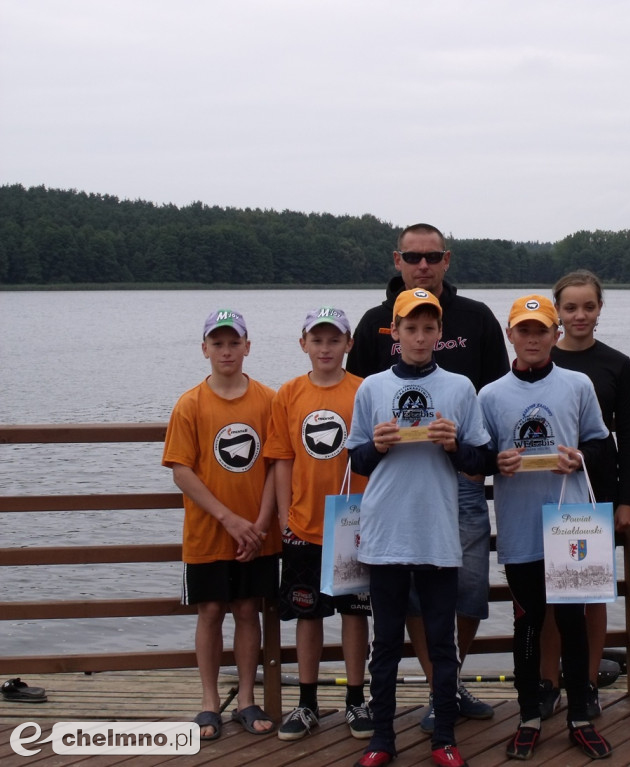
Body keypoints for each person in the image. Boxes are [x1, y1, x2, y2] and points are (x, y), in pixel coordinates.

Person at [347, 222, 509, 732]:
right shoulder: (375, 320)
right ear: (397, 260)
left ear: (446, 259)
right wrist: (375, 443)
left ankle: (448, 677)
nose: (423, 264)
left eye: (432, 256)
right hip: (394, 492)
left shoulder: (478, 318)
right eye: (413, 256)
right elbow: (359, 402)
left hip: (458, 479)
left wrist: (468, 447)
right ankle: (440, 689)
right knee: (404, 599)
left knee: (468, 587)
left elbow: (496, 397)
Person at [478, 294, 614, 761]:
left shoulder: (577, 385)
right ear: (510, 335)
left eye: (541, 331)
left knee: (573, 623)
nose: (533, 339)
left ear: (556, 335)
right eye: (524, 330)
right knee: (529, 624)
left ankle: (579, 713)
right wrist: (496, 460)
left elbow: (601, 443)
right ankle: (529, 716)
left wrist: (581, 457)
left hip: (569, 522)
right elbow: (478, 457)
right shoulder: (490, 394)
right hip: (519, 528)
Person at [162, 309, 280, 741]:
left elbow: (274, 466)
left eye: (234, 343)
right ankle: (210, 702)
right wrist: (229, 519)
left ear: (248, 347)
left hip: (256, 533)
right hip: (209, 531)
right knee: (210, 611)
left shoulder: (268, 400)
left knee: (248, 610)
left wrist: (261, 523)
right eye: (218, 343)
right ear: (205, 349)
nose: (226, 351)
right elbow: (181, 470)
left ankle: (246, 699)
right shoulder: (190, 403)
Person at [264, 306, 372, 742]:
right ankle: (306, 703)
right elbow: (282, 460)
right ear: (303, 343)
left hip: (354, 524)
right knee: (307, 614)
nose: (325, 348)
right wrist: (284, 517)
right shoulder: (288, 394)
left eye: (334, 340)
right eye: (317, 339)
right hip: (304, 527)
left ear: (348, 344)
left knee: (354, 612)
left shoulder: (364, 390)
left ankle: (355, 699)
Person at [537, 270, 630, 720]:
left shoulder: (617, 365)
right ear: (557, 312)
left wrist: (628, 499)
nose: (580, 315)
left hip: (596, 490)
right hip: (546, 493)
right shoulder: (538, 357)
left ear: (600, 309)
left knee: (592, 591)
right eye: (571, 307)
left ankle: (590, 681)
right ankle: (548, 682)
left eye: (588, 307)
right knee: (548, 596)